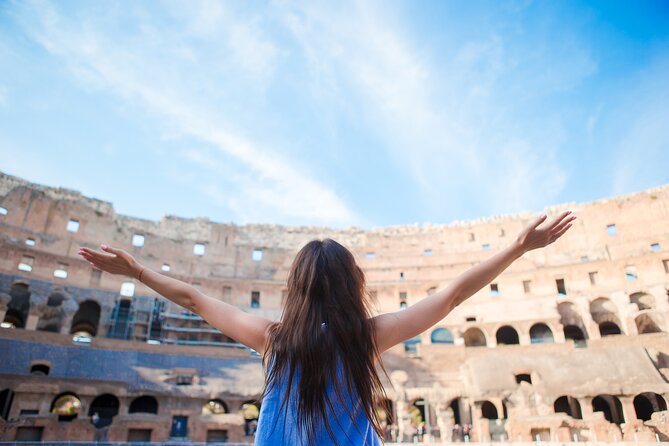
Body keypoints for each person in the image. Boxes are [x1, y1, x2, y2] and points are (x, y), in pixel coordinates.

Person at [79, 211, 575, 445]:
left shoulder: (273, 340)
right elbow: (452, 297)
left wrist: (138, 272)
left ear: (295, 289)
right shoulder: (367, 337)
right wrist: (517, 249)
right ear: (351, 285)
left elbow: (192, 298)